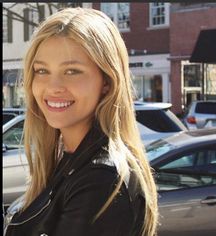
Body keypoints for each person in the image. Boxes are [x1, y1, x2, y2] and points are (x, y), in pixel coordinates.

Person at [4, 7, 158, 236]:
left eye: (72, 71)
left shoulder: (102, 179)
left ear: (107, 81)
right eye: (42, 70)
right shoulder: (69, 160)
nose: (53, 87)